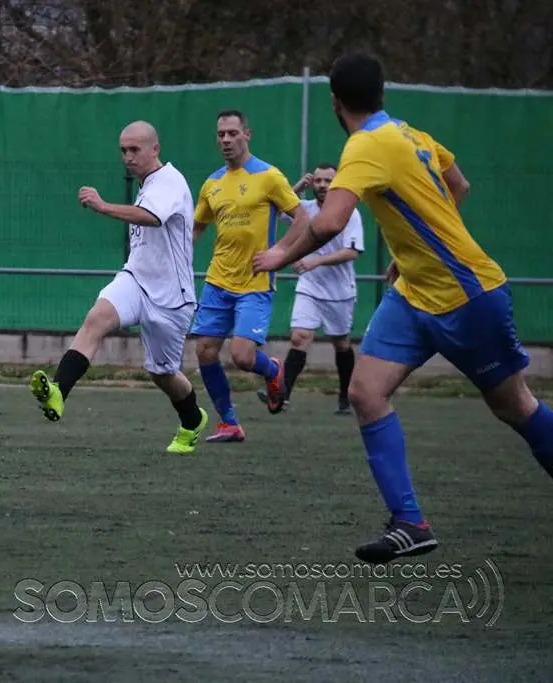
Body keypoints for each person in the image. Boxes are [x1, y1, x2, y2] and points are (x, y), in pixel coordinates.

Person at [252, 52, 553, 564]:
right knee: (365, 392)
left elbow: (328, 222)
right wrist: (412, 251)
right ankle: (409, 521)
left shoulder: (365, 145)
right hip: (414, 295)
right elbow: (459, 185)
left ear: (334, 102)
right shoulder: (410, 135)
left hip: (467, 297)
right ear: (383, 94)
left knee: (514, 406)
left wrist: (280, 254)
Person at [29, 120, 210, 454]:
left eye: (135, 150)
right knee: (96, 318)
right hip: (135, 280)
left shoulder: (169, 180)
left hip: (172, 297)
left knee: (163, 374)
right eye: (123, 150)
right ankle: (58, 391)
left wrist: (103, 206)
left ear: (155, 149)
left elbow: (151, 217)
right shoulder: (146, 184)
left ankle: (191, 420)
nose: (128, 157)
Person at [191, 110, 311, 443]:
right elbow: (197, 226)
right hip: (218, 280)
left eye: (232, 133)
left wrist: (280, 252)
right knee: (205, 351)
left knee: (242, 356)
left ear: (247, 134)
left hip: (255, 282)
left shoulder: (269, 176)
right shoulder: (212, 183)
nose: (226, 140)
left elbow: (301, 218)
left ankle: (273, 370)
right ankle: (229, 422)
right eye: (220, 135)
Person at [256, 164, 364, 414]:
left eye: (328, 181)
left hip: (339, 291)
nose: (322, 185)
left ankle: (345, 397)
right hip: (310, 285)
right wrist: (296, 188)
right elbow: (279, 211)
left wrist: (316, 260)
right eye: (318, 180)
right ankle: (282, 395)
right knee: (299, 337)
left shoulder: (350, 213)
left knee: (341, 343)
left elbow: (352, 251)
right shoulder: (305, 208)